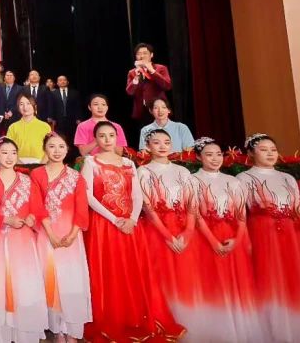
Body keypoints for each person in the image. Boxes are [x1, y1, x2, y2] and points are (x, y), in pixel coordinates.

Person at [81, 122, 183, 341]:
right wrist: (114, 219)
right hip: (104, 225)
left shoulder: (128, 163)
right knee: (109, 271)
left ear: (117, 137)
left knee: (132, 270)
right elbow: (88, 196)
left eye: (111, 135)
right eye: (102, 136)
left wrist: (133, 220)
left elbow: (137, 195)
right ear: (95, 139)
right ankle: (112, 319)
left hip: (129, 225)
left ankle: (136, 317)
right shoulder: (90, 162)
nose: (107, 139)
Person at [237, 133, 300, 341]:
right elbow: (240, 213)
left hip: (292, 235)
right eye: (263, 150)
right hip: (262, 235)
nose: (270, 154)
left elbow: (298, 210)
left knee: (295, 279)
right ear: (251, 153)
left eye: (273, 150)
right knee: (269, 280)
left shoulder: (288, 178)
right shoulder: (243, 179)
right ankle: (273, 331)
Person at [190, 137, 265, 342]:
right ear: (198, 157)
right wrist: (212, 241)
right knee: (212, 281)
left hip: (233, 238)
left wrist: (237, 239)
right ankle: (217, 331)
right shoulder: (192, 180)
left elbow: (242, 215)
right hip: (204, 238)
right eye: (209, 155)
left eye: (218, 154)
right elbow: (195, 215)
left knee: (237, 282)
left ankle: (239, 329)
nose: (215, 159)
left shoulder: (233, 181)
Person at [137, 128, 207, 334]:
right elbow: (147, 207)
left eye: (166, 142)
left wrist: (188, 231)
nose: (162, 146)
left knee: (186, 275)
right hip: (157, 231)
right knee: (162, 275)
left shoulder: (182, 172)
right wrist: (167, 236)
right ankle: (166, 321)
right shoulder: (143, 171)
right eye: (156, 142)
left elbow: (192, 203)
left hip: (184, 229)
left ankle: (190, 321)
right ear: (148, 146)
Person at [0, 137, 47, 343]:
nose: (9, 157)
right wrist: (6, 219)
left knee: (25, 281)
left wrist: (32, 217)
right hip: (2, 238)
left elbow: (37, 207)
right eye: (4, 153)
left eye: (13, 153)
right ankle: (3, 333)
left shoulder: (26, 180)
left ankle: (25, 331)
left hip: (24, 238)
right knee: (2, 280)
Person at [30, 132, 91, 343]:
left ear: (67, 150)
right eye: (52, 146)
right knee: (51, 279)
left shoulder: (76, 176)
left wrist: (73, 235)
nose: (56, 151)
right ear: (45, 149)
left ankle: (71, 330)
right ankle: (57, 329)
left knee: (71, 280)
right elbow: (37, 206)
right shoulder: (37, 174)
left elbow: (81, 208)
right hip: (46, 234)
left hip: (70, 236)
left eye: (61, 147)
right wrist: (50, 233)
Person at [125, 43, 172, 124]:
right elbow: (129, 92)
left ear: (151, 55)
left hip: (159, 110)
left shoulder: (161, 68)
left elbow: (167, 86)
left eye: (145, 53)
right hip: (141, 111)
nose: (142, 56)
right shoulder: (132, 72)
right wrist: (136, 77)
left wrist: (152, 71)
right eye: (139, 54)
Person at [6, 94, 51, 164]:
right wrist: (19, 164)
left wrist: (41, 164)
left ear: (35, 107)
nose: (25, 107)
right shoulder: (13, 127)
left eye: (28, 103)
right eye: (21, 104)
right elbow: (8, 149)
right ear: (18, 108)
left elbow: (50, 148)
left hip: (40, 162)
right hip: (18, 163)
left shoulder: (45, 126)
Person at [51, 75, 83, 145]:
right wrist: (53, 118)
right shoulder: (53, 93)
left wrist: (78, 118)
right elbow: (52, 106)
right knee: (60, 138)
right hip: (58, 120)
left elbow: (78, 107)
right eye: (60, 80)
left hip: (72, 120)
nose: (62, 81)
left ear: (67, 82)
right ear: (57, 83)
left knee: (72, 138)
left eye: (64, 80)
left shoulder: (75, 93)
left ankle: (71, 151)